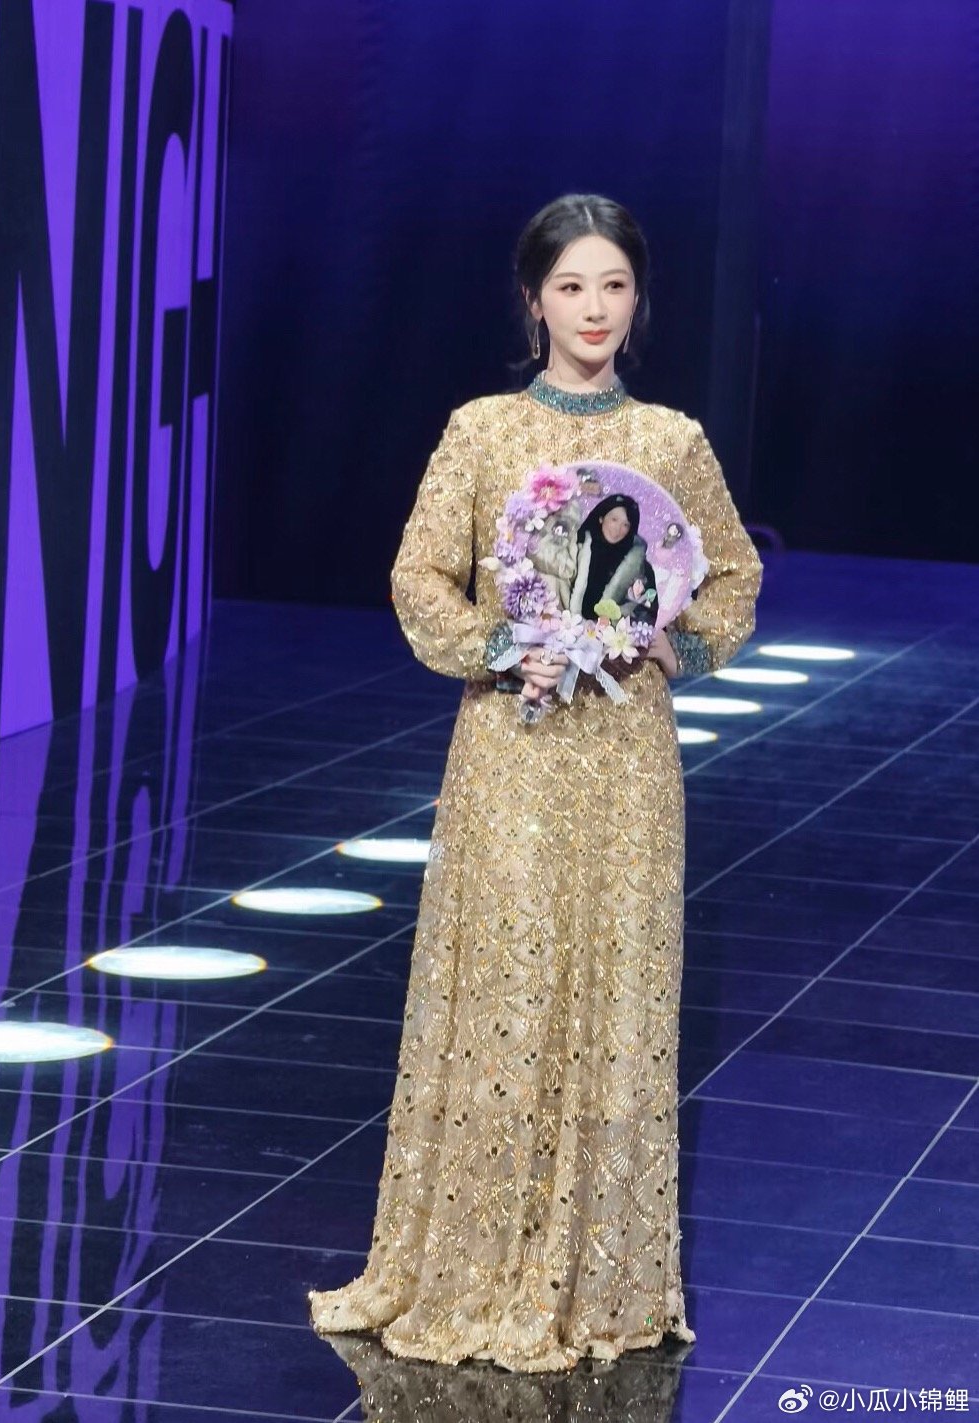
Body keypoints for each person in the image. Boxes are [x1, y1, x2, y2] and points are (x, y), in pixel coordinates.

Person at [308, 193, 762, 1372]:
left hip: (627, 761)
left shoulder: (671, 442)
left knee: (615, 988)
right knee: (503, 987)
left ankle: (598, 1276)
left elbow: (732, 581)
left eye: (614, 285)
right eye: (571, 286)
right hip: (509, 753)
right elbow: (420, 577)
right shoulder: (481, 430)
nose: (593, 308)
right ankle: (469, 1262)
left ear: (638, 300)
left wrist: (665, 643)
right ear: (534, 301)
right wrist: (510, 644)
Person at [569, 493, 657, 621]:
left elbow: (648, 607)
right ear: (601, 518)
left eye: (626, 525)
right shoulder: (576, 545)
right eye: (614, 520)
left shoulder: (639, 566)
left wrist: (617, 615)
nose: (617, 529)